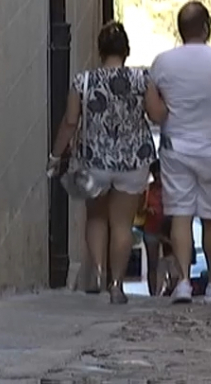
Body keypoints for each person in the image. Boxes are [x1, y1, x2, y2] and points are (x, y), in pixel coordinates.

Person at [47, 21, 164, 304]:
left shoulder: (82, 81)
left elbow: (71, 121)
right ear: (126, 50)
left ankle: (98, 273)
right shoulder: (142, 80)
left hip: (93, 161)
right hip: (133, 161)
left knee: (96, 217)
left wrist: (56, 155)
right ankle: (116, 285)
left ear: (100, 50)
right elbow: (157, 115)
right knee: (122, 225)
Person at [147, 1, 211, 304]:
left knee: (180, 215)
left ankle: (182, 283)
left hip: (176, 149)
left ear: (180, 30)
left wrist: (171, 110)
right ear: (207, 27)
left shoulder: (162, 63)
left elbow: (155, 113)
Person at [140, 160, 164, 296]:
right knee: (152, 263)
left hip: (167, 228)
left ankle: (170, 287)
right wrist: (147, 209)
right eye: (156, 173)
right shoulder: (148, 189)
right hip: (151, 229)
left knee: (171, 262)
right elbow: (140, 209)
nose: (158, 176)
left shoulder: (171, 187)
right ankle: (153, 293)